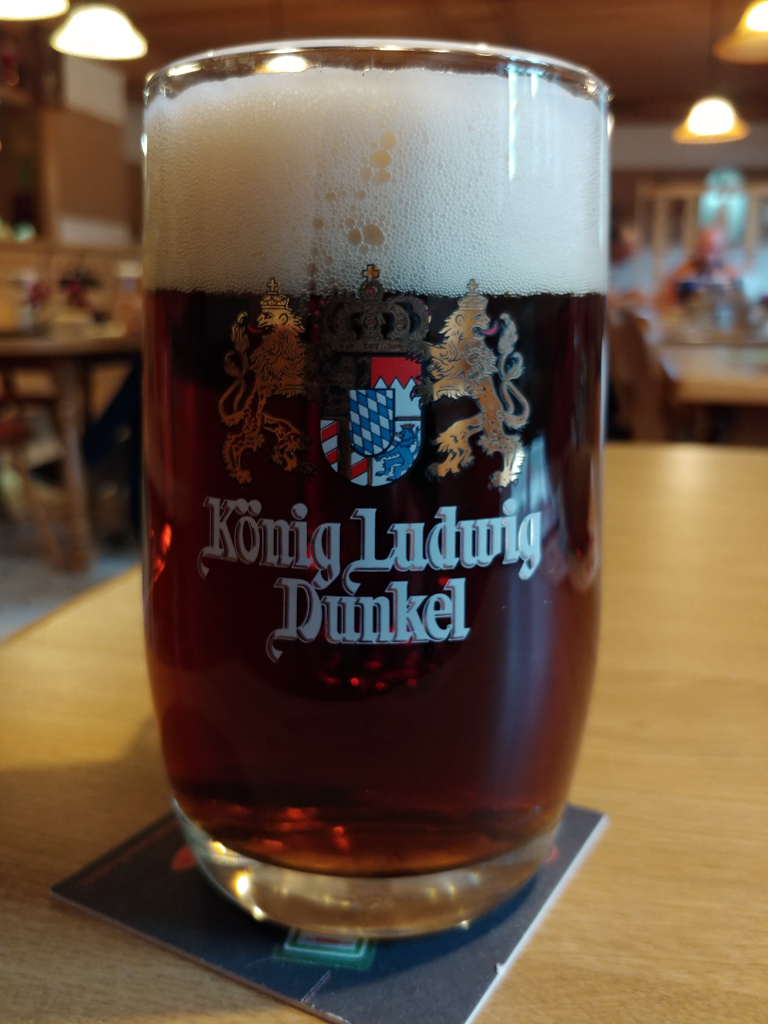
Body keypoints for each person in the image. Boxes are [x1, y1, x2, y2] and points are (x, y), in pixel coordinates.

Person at [657, 225, 739, 311]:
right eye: (703, 249)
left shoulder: (731, 275)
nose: (708, 257)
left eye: (713, 250)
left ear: (723, 250)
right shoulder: (681, 274)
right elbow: (663, 304)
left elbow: (738, 308)